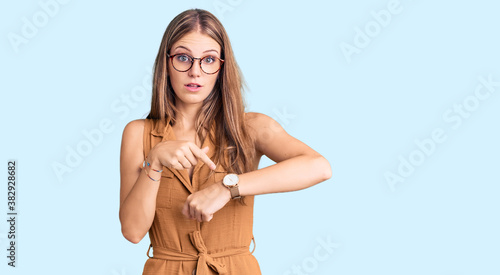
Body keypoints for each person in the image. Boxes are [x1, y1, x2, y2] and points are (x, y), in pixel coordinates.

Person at [119, 8, 332, 275]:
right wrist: (156, 161)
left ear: (221, 67)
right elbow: (133, 231)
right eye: (183, 58)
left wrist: (227, 188)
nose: (195, 71)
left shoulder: (250, 127)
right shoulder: (138, 133)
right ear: (166, 62)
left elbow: (319, 167)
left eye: (208, 60)